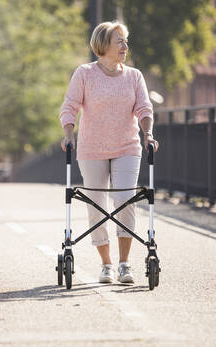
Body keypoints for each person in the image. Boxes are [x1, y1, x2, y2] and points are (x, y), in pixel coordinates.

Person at [59, 21, 159, 284]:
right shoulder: (84, 74)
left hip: (127, 147)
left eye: (126, 41)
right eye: (120, 41)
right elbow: (69, 106)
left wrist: (147, 133)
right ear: (104, 45)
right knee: (96, 205)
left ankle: (125, 264)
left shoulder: (134, 76)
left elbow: (144, 109)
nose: (125, 46)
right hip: (91, 149)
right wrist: (68, 134)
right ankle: (106, 265)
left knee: (125, 200)